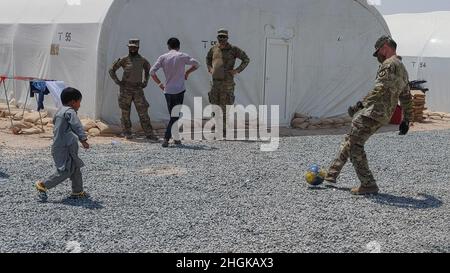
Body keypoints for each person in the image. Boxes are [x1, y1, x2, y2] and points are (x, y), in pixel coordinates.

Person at [324, 36, 413, 195]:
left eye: (378, 51)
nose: (377, 56)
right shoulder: (403, 68)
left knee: (355, 146)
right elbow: (406, 96)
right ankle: (331, 174)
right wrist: (406, 120)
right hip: (383, 115)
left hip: (372, 112)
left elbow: (379, 89)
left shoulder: (389, 64)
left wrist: (360, 105)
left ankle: (368, 183)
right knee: (351, 139)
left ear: (384, 47)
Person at [35, 87, 90, 201]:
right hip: (64, 147)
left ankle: (77, 191)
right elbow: (76, 125)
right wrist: (83, 139)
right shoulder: (70, 112)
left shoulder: (59, 111)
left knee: (75, 168)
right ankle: (43, 185)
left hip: (63, 146)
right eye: (79, 102)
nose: (79, 105)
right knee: (65, 170)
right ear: (72, 102)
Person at [150, 38, 200, 147]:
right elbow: (197, 64)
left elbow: (152, 72)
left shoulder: (163, 57)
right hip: (179, 90)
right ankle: (166, 138)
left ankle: (176, 138)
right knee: (175, 116)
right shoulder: (182, 56)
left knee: (173, 115)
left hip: (167, 90)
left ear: (168, 46)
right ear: (179, 46)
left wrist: (160, 84)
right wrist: (187, 72)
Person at [109, 39, 158, 141]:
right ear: (128, 47)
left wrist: (145, 81)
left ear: (138, 48)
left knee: (143, 112)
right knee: (125, 112)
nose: (132, 49)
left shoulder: (142, 60)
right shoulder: (124, 59)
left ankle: (149, 133)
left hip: (137, 89)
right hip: (125, 89)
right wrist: (117, 81)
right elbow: (111, 70)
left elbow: (148, 69)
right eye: (130, 47)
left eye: (134, 47)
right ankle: (127, 132)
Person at [206, 29, 250, 137]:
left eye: (224, 37)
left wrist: (237, 70)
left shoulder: (233, 49)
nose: (222, 39)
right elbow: (207, 58)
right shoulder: (213, 49)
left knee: (225, 107)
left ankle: (224, 129)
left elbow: (246, 59)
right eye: (220, 37)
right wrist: (210, 68)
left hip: (227, 83)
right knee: (215, 105)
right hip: (216, 83)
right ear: (217, 38)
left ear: (227, 38)